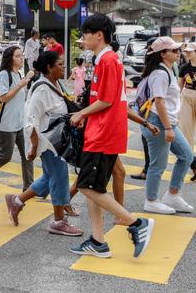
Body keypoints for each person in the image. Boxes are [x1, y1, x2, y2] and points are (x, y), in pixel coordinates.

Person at [69, 14, 154, 259]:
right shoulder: (105, 60)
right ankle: (98, 240)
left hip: (103, 132)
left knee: (86, 186)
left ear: (99, 35)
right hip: (101, 130)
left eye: (86, 33)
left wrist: (81, 113)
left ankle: (136, 224)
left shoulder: (108, 61)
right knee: (95, 186)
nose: (83, 37)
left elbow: (106, 100)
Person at [3, 51, 83, 236]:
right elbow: (31, 119)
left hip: (58, 140)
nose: (64, 67)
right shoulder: (42, 88)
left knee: (49, 178)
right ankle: (58, 222)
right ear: (49, 67)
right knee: (60, 177)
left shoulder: (55, 84)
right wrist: (33, 146)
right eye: (60, 64)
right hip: (49, 142)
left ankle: (16, 201)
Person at [137, 37, 194, 214]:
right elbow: (159, 103)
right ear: (162, 54)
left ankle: (172, 195)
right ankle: (151, 200)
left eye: (178, 50)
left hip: (168, 122)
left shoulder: (168, 69)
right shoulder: (160, 74)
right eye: (174, 50)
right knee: (158, 165)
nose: (178, 53)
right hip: (159, 123)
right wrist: (168, 128)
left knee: (186, 155)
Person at [0, 46, 35, 191]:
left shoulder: (17, 74)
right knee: (5, 156)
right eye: (17, 56)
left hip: (20, 123)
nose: (21, 58)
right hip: (5, 125)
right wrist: (21, 84)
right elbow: (3, 97)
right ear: (10, 59)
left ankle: (29, 187)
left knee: (28, 155)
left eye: (21, 55)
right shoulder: (4, 75)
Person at [177, 42, 196, 181]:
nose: (187, 53)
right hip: (187, 96)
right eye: (186, 51)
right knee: (185, 132)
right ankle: (192, 164)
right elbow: (179, 86)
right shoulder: (183, 68)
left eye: (190, 51)